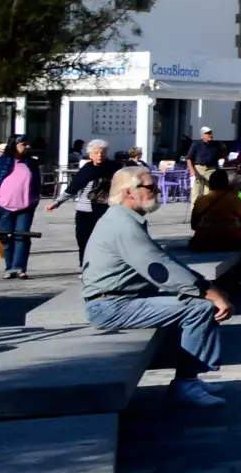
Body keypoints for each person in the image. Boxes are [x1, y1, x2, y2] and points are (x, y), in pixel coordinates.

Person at [81, 164, 233, 408]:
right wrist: (210, 293)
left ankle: (191, 376)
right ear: (128, 192)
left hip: (125, 297)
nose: (157, 190)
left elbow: (165, 261)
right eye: (151, 187)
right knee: (199, 309)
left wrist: (206, 287)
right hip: (111, 305)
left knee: (197, 302)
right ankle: (186, 384)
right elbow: (161, 270)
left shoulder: (124, 219)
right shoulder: (123, 225)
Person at [48, 138, 122, 258]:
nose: (100, 155)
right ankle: (84, 264)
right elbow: (73, 188)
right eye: (96, 152)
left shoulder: (114, 167)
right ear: (90, 155)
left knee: (104, 240)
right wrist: (57, 202)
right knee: (83, 240)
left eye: (102, 152)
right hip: (85, 210)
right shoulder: (87, 169)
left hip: (106, 209)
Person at [0, 139, 41, 278]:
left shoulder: (30, 162)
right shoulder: (1, 162)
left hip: (25, 206)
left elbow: (37, 182)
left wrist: (35, 199)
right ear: (14, 145)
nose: (27, 146)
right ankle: (9, 267)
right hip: (4, 207)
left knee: (22, 236)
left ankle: (19, 268)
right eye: (23, 144)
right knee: (6, 237)